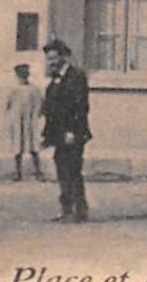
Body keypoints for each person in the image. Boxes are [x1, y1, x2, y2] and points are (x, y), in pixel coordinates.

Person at [41, 38, 92, 222]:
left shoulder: (76, 76)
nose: (51, 62)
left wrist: (72, 130)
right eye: (49, 59)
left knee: (72, 169)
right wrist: (47, 135)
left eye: (54, 58)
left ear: (63, 57)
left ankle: (79, 210)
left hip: (73, 133)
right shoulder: (54, 79)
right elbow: (51, 110)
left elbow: (80, 106)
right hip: (59, 134)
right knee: (62, 168)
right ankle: (67, 209)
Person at [6, 63, 46, 182]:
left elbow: (40, 105)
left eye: (24, 75)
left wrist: (35, 116)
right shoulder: (14, 90)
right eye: (20, 76)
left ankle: (38, 171)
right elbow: (8, 105)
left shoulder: (34, 89)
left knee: (33, 147)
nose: (22, 78)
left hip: (30, 121)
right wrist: (11, 119)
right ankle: (18, 173)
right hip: (18, 121)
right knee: (18, 147)